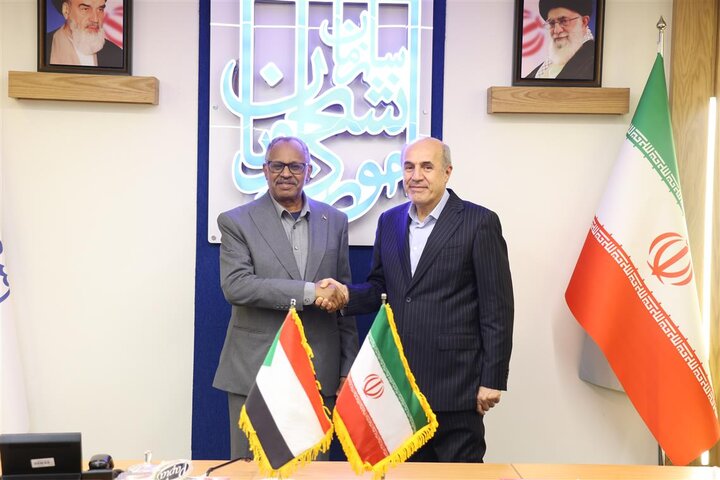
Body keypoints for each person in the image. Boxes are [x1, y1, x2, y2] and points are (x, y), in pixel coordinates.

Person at [319, 137, 514, 462]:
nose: (416, 176)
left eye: (427, 167)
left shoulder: (479, 222)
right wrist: (345, 295)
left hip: (456, 385)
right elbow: (381, 287)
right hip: (398, 386)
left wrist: (492, 379)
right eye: (409, 167)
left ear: (447, 172)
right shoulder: (390, 221)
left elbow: (498, 309)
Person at [213, 136, 358, 460]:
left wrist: (347, 366)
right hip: (255, 370)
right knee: (251, 471)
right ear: (265, 170)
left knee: (312, 472)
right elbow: (236, 286)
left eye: (295, 166)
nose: (286, 173)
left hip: (318, 372)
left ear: (309, 171)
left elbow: (342, 299)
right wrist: (309, 292)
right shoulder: (236, 221)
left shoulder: (335, 221)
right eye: (277, 165)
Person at [525, 0, 595, 80]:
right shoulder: (541, 69)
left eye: (564, 21)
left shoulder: (594, 61)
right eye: (552, 23)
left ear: (584, 22)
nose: (557, 30)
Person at [46, 0, 123, 68]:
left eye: (100, 9)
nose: (95, 19)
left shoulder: (116, 54)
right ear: (66, 10)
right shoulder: (44, 47)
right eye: (85, 9)